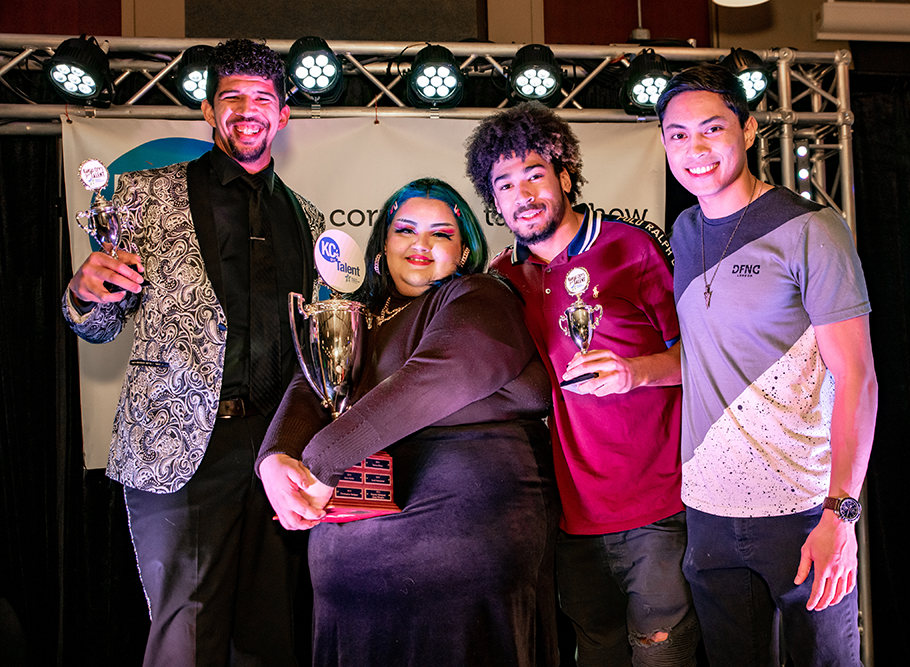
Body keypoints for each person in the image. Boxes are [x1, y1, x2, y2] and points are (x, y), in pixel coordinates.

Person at [62, 39, 324, 667]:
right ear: (208, 110)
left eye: (262, 98)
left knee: (268, 638)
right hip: (179, 447)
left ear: (283, 116)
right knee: (186, 640)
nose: (246, 109)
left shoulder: (310, 221)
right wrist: (84, 293)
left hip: (275, 448)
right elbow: (98, 327)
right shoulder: (143, 197)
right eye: (231, 95)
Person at [257, 178, 560, 667]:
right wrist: (274, 458)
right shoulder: (359, 316)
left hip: (462, 559)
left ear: (463, 251)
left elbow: (445, 374)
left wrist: (321, 462)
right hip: (353, 573)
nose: (420, 244)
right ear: (383, 245)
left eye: (441, 234)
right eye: (405, 230)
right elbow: (309, 386)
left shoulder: (480, 294)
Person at [655, 64, 878, 667]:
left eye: (711, 129)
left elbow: (857, 377)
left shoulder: (811, 229)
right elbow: (708, 356)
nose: (693, 149)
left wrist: (842, 514)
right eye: (677, 134)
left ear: (749, 130)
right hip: (708, 511)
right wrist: (633, 372)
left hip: (801, 511)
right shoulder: (685, 230)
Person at [465, 102, 699, 667]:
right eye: (505, 184)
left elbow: (700, 360)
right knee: (595, 654)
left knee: (661, 658)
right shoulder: (501, 281)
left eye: (534, 175)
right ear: (493, 201)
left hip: (659, 512)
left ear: (564, 176)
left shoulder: (628, 248)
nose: (522, 194)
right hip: (569, 522)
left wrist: (634, 371)